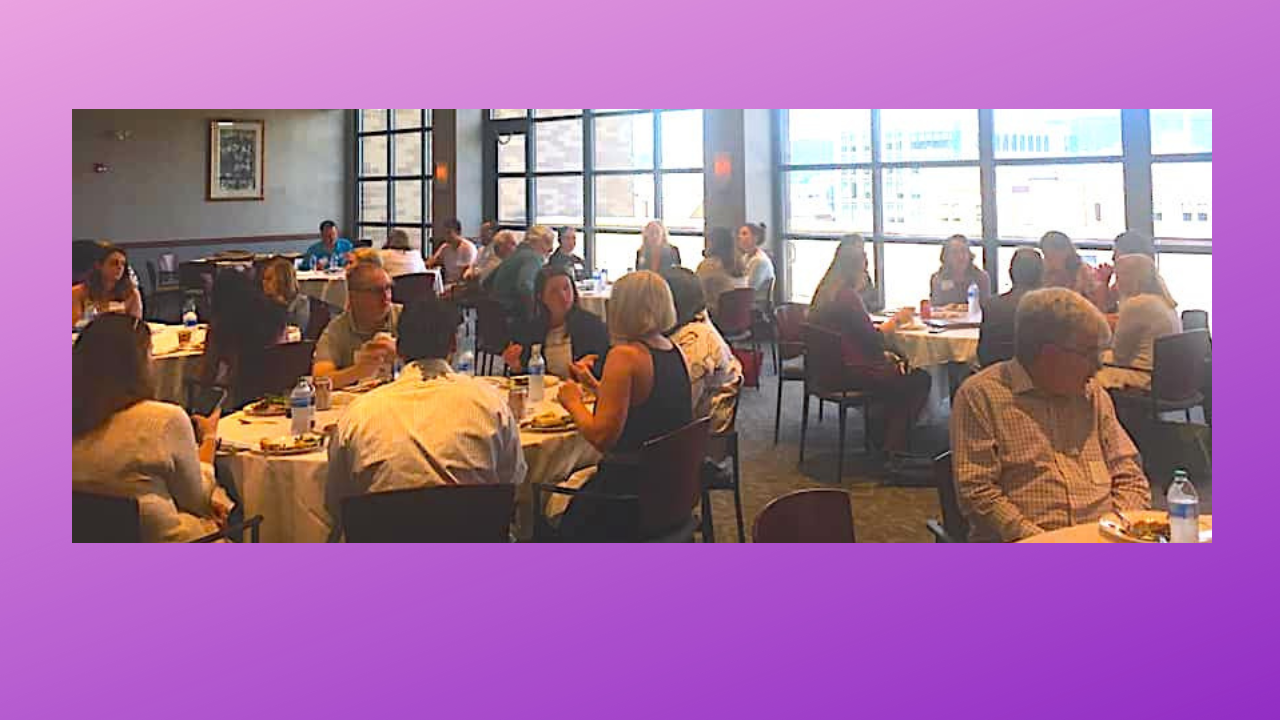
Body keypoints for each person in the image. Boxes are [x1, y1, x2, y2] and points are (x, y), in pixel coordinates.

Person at [951, 288, 1152, 542]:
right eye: (1089, 353)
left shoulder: (1092, 394)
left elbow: (1129, 472)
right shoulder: (982, 396)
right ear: (1050, 355)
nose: (1099, 365)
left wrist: (1118, 532)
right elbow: (978, 493)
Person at [327, 297, 527, 536]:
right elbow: (512, 484)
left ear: (399, 350)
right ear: (454, 344)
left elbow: (338, 504)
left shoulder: (358, 415)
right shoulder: (490, 404)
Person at [554, 271, 693, 541]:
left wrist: (572, 402)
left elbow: (602, 437)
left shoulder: (625, 356)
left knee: (543, 503)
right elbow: (645, 405)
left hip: (624, 495)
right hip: (669, 487)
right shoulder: (672, 349)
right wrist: (595, 385)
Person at [72, 314, 232, 542]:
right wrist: (208, 438)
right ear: (138, 364)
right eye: (149, 354)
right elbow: (196, 500)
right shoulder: (163, 421)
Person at [809, 236, 931, 458]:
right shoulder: (847, 297)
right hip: (850, 372)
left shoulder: (825, 292)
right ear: (857, 269)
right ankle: (893, 445)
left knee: (899, 371)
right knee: (918, 379)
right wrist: (896, 321)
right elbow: (873, 339)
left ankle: (880, 434)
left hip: (826, 369)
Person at [664, 268, 743, 434]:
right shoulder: (698, 325)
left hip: (696, 438)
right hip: (699, 425)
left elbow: (680, 408)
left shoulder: (696, 341)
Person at [502, 266, 609, 379]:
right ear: (541, 297)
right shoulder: (531, 330)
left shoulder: (592, 326)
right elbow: (524, 378)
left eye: (566, 288)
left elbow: (603, 372)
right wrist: (515, 366)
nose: (563, 296)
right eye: (554, 291)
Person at [201, 270, 289, 407]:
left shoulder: (222, 323)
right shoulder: (276, 313)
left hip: (240, 392)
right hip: (278, 386)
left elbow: (209, 371)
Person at [1097, 254, 1181, 391]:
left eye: (1118, 277)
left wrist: (1092, 355)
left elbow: (1120, 357)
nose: (1116, 284)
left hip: (1142, 376)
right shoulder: (1164, 302)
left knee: (1083, 374)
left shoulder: (1135, 304)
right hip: (1167, 377)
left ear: (1128, 278)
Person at [312, 263, 401, 389]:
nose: (386, 297)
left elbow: (434, 363)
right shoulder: (337, 330)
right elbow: (320, 380)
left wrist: (400, 354)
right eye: (376, 291)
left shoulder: (405, 317)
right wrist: (359, 371)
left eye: (388, 288)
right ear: (353, 296)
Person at [977, 248, 1043, 367]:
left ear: (1010, 273)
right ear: (1041, 275)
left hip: (995, 374)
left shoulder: (991, 305)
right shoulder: (1049, 308)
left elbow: (983, 352)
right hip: (1037, 378)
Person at [485, 225, 555, 321]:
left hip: (495, 314)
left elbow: (487, 282)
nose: (551, 248)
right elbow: (525, 286)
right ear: (536, 241)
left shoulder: (514, 255)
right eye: (548, 242)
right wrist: (535, 314)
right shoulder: (533, 257)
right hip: (514, 316)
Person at [72, 243, 143, 325]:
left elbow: (136, 326)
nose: (120, 267)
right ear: (99, 266)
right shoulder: (78, 292)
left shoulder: (132, 293)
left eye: (123, 264)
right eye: (114, 263)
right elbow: (74, 324)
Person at [1040, 231, 1108, 311]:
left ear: (1066, 251)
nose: (1048, 259)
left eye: (1051, 254)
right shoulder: (1044, 272)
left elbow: (1097, 305)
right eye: (1046, 254)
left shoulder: (1083, 271)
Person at [696, 226, 749, 316]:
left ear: (712, 244)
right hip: (738, 318)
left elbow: (696, 289)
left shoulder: (709, 265)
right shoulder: (741, 264)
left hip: (716, 316)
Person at [930, 235, 991, 307]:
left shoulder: (981, 277)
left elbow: (985, 307)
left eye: (963, 251)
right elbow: (935, 307)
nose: (960, 257)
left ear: (969, 254)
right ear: (946, 256)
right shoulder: (938, 278)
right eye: (955, 252)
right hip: (946, 317)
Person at [260, 256, 310, 332]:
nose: (264, 283)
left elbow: (299, 330)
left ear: (282, 280)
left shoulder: (300, 302)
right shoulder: (262, 300)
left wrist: (280, 305)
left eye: (269, 279)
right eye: (263, 278)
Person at [426, 218, 477, 286]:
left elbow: (468, 271)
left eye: (449, 233)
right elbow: (432, 262)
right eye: (444, 233)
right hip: (447, 284)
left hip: (461, 285)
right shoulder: (445, 247)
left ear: (458, 233)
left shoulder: (468, 248)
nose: (446, 236)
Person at [737, 222, 776, 305]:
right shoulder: (745, 257)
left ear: (755, 238)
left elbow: (749, 288)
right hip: (746, 302)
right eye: (739, 234)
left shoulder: (760, 261)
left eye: (744, 234)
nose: (739, 237)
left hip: (756, 306)